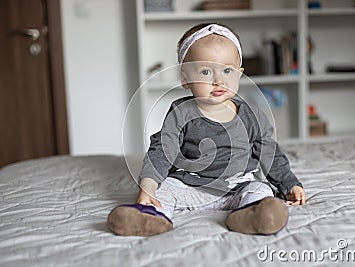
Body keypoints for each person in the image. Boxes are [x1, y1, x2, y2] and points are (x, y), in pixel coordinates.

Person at [108, 23, 306, 236]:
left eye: (227, 70)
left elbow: (270, 154)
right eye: (205, 71)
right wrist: (148, 185)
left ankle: (253, 215)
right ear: (185, 79)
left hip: (236, 189)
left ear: (239, 74)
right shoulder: (181, 112)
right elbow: (162, 150)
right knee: (164, 189)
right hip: (190, 187)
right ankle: (150, 217)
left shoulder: (252, 116)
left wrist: (289, 184)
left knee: (261, 190)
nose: (218, 80)